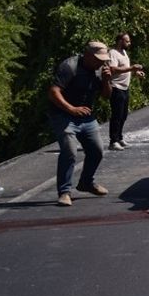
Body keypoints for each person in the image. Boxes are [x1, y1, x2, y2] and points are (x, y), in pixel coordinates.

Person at [47, 41, 114, 206]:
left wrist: (106, 80)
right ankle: (64, 192)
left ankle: (86, 182)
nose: (101, 62)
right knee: (69, 151)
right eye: (98, 59)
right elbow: (53, 92)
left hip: (86, 116)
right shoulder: (70, 66)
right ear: (88, 55)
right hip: (64, 115)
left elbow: (106, 95)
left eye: (104, 59)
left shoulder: (100, 70)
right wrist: (71, 109)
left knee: (97, 150)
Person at [106, 32, 145, 151]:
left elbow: (125, 69)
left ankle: (119, 137)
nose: (129, 43)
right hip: (116, 87)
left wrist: (135, 73)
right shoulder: (113, 53)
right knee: (117, 115)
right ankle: (113, 141)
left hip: (125, 88)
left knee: (123, 115)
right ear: (120, 41)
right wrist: (132, 68)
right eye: (127, 41)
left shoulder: (124, 53)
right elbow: (113, 69)